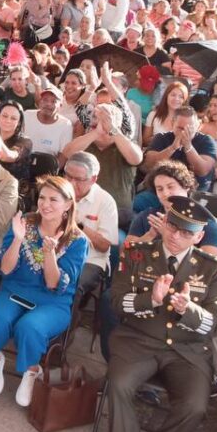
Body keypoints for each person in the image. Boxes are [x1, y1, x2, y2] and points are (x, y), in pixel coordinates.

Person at [106, 195, 217, 432]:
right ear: (165, 222)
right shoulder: (136, 253)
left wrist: (190, 311)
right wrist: (148, 300)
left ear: (199, 237)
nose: (175, 236)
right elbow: (116, 302)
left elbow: (216, 324)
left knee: (195, 407)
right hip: (137, 340)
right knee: (119, 385)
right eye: (172, 226)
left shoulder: (213, 268)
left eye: (186, 232)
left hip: (187, 351)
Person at [0, 176, 87, 407]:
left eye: (53, 199)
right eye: (42, 197)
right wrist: (18, 240)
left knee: (29, 327)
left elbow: (53, 284)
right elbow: (5, 269)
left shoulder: (78, 241)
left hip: (52, 302)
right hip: (15, 290)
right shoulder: (24, 223)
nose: (45, 204)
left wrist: (50, 253)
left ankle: (31, 370)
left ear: (68, 205)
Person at [66, 151, 119, 356]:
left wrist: (78, 225)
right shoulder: (58, 190)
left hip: (91, 259)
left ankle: (60, 342)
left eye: (78, 179)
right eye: (67, 176)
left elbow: (104, 245)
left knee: (72, 284)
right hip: (56, 252)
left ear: (93, 179)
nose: (71, 183)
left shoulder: (105, 201)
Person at [140, 105, 217, 190]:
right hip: (160, 188)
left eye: (189, 128)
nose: (184, 132)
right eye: (180, 128)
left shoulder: (206, 141)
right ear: (173, 123)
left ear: (197, 125)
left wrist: (188, 147)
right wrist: (172, 148)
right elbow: (148, 165)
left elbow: (202, 171)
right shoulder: (161, 138)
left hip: (193, 192)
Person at [23, 83, 73, 159]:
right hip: (22, 163)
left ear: (60, 106)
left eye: (53, 101)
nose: (48, 104)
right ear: (40, 102)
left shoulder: (66, 124)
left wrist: (53, 171)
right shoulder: (27, 115)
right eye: (45, 100)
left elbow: (63, 154)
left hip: (47, 167)